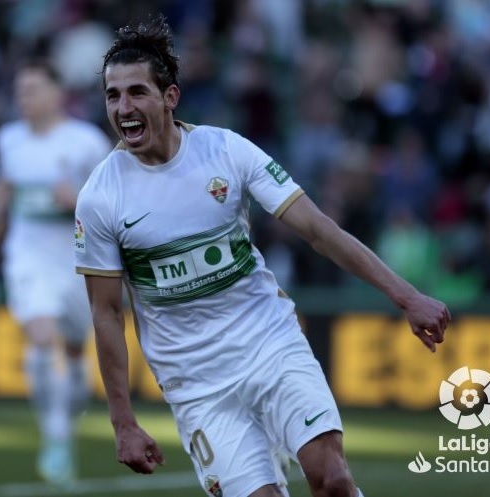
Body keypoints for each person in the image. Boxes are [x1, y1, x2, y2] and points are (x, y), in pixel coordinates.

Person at [74, 15, 451, 497]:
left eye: (136, 92)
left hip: (270, 345)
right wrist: (122, 422)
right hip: (196, 386)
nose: (123, 107)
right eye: (113, 95)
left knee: (332, 478)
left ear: (170, 98)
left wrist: (407, 297)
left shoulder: (226, 152)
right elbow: (105, 313)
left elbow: (318, 229)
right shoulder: (100, 197)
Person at [0, 59, 111, 485]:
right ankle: (57, 438)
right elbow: (3, 187)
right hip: (26, 255)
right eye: (19, 91)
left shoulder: (87, 142)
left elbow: (112, 200)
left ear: (55, 94)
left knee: (78, 350)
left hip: (76, 260)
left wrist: (78, 199)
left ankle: (66, 419)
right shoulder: (10, 140)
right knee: (42, 337)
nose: (23, 98)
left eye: (31, 90)